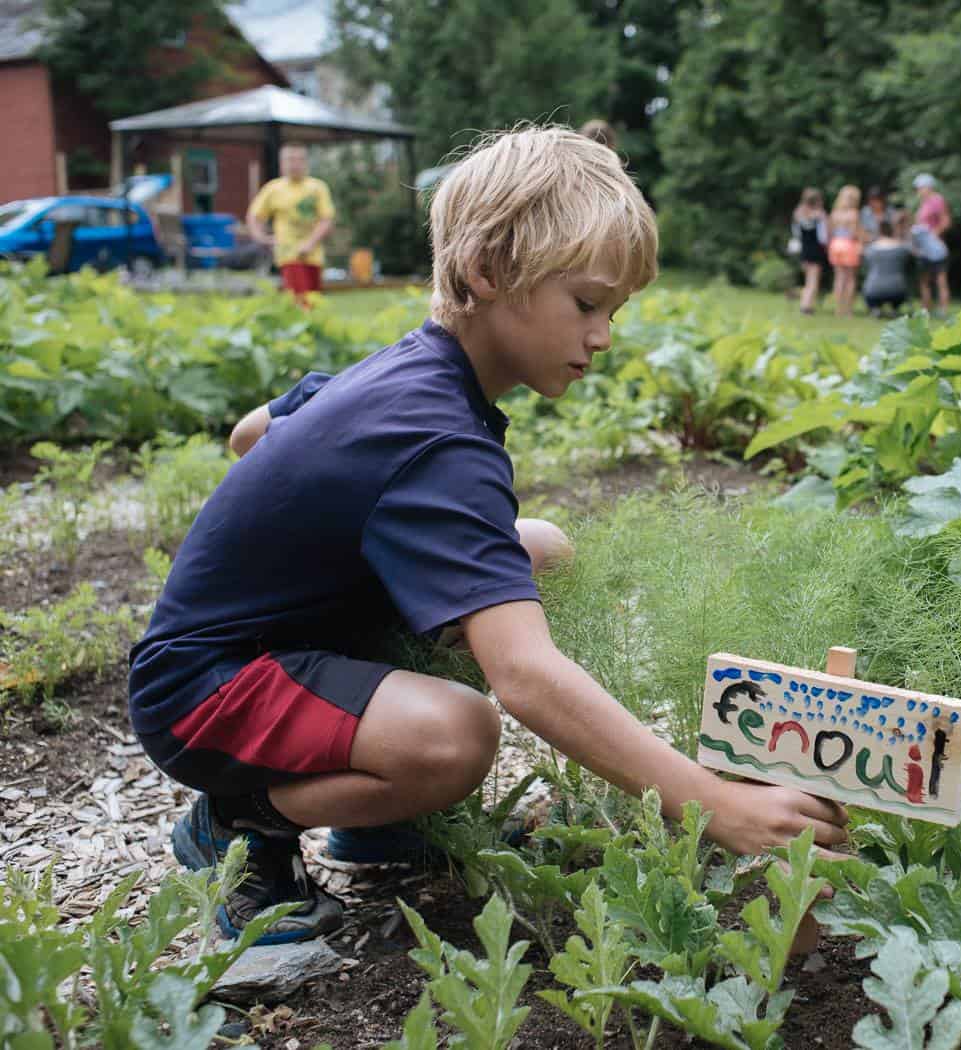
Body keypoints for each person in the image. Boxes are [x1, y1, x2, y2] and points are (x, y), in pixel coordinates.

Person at [130, 127, 850, 944]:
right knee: (457, 736)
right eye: (587, 304)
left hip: (273, 650)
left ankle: (385, 819)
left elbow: (249, 435)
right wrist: (714, 804)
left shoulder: (399, 374)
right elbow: (526, 676)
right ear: (487, 271)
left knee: (539, 549)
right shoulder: (437, 440)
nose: (604, 335)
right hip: (206, 694)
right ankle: (239, 819)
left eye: (613, 312)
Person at [246, 144, 336, 304]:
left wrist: (310, 243)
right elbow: (254, 216)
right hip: (288, 254)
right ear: (282, 163)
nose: (294, 164)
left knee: (314, 301)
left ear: (306, 163)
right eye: (290, 160)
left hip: (314, 255)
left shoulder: (317, 187)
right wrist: (261, 237)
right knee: (300, 301)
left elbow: (326, 219)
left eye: (299, 160)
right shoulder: (273, 189)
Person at [910, 173, 951, 315]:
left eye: (920, 187)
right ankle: (926, 310)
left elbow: (946, 221)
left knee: (941, 279)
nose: (918, 191)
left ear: (928, 187)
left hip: (936, 249)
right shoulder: (923, 203)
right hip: (923, 249)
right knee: (924, 280)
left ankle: (943, 310)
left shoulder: (937, 200)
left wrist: (934, 234)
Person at [826, 185, 864, 317]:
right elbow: (854, 233)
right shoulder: (853, 214)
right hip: (849, 245)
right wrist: (862, 239)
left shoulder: (835, 213)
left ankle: (838, 309)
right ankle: (848, 310)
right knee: (850, 278)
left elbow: (830, 232)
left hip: (835, 244)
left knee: (839, 278)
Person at [861, 218, 911, 317]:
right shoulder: (901, 248)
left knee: (869, 288)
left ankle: (875, 308)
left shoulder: (871, 249)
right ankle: (895, 309)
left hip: (874, 289)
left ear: (879, 231)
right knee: (899, 287)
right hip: (897, 289)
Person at [792, 188, 829, 314]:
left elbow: (796, 233)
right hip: (816, 250)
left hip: (804, 249)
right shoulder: (820, 215)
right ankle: (806, 306)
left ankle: (805, 303)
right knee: (813, 280)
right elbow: (823, 237)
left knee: (808, 279)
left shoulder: (798, 213)